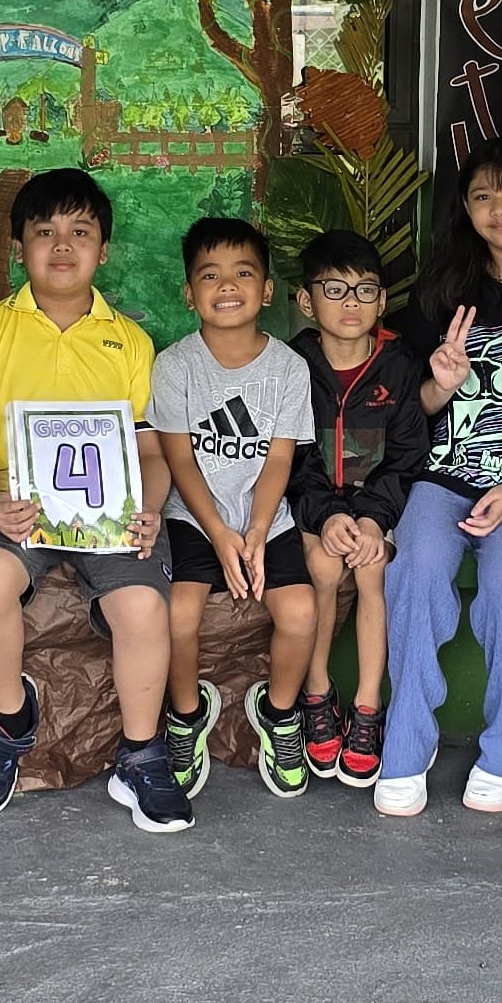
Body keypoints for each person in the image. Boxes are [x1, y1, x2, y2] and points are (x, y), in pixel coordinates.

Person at [0, 170, 187, 831]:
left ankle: (140, 756)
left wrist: (151, 512)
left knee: (140, 603)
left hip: (111, 511)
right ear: (18, 246)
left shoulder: (129, 341)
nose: (61, 246)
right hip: (15, 504)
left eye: (80, 232)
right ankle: (8, 719)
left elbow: (151, 453)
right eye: (44, 232)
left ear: (103, 249)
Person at [376, 139, 502, 819]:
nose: (500, 208)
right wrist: (439, 384)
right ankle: (406, 741)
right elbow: (417, 411)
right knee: (417, 569)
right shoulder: (441, 291)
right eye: (484, 195)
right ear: (465, 207)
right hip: (446, 475)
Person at [150, 217, 318, 799]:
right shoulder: (174, 365)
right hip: (194, 514)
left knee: (298, 611)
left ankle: (278, 712)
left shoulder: (288, 369)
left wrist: (259, 528)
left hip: (266, 515)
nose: (228, 286)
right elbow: (178, 458)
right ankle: (186, 713)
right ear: (189, 292)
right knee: (179, 614)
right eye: (211, 275)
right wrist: (221, 533)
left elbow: (278, 458)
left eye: (244, 273)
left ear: (267, 290)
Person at [284, 229, 427, 797]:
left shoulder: (398, 366)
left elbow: (409, 456)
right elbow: (289, 457)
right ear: (305, 300)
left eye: (365, 290)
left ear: (382, 299)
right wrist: (325, 516)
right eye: (335, 289)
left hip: (377, 507)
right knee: (322, 568)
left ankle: (367, 708)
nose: (351, 304)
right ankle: (317, 693)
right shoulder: (292, 366)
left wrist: (370, 518)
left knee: (372, 570)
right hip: (315, 506)